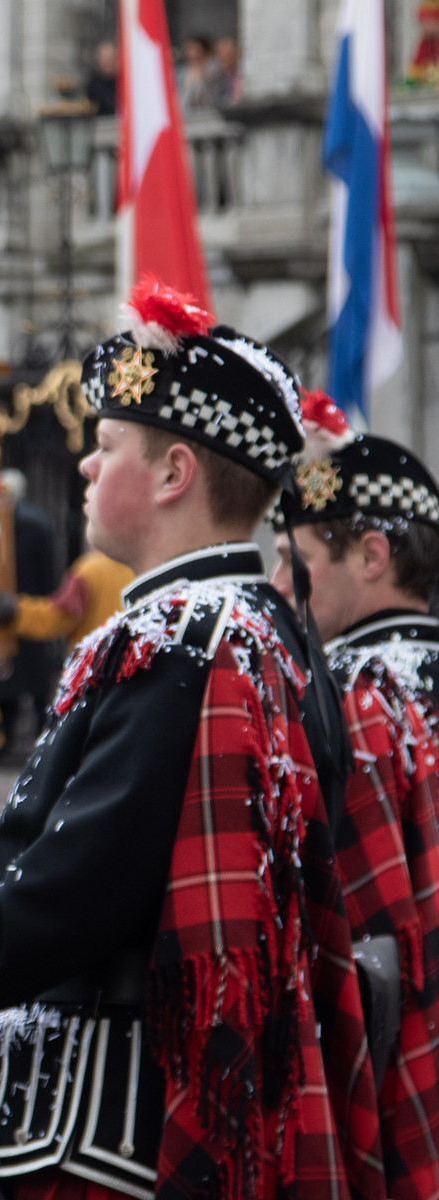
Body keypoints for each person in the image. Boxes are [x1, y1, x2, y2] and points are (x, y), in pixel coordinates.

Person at [0, 282, 385, 1200]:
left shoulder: (180, 638)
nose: (84, 464)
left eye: (106, 445)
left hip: (103, 1125)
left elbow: (68, 901)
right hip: (174, 1095)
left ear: (174, 473)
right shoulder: (269, 628)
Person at [271, 393, 439, 1200]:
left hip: (401, 1078)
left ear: (372, 555)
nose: (279, 585)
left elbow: (366, 956)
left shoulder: (351, 699)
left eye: (294, 559)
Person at [0, 469, 61, 756]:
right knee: (1, 678)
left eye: (0, 498)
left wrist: (47, 607)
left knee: (36, 677)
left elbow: (48, 573)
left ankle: (41, 735)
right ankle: (5, 738)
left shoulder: (35, 525)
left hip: (29, 610)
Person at [0, 546, 134, 649]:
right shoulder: (139, 567)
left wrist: (17, 612)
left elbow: (59, 617)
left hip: (94, 665)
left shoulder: (90, 571)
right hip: (132, 664)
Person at [178, 34, 223, 110]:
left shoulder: (214, 68)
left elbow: (206, 97)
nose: (189, 53)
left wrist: (198, 78)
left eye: (192, 49)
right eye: (186, 49)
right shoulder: (183, 72)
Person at [85, 39, 120, 115]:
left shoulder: (125, 85)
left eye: (111, 58)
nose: (108, 62)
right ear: (98, 60)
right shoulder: (93, 86)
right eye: (104, 59)